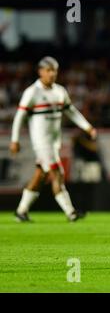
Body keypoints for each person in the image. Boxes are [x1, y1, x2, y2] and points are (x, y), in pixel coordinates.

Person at [9, 56, 97, 222]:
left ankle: (21, 211)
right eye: (48, 70)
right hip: (41, 142)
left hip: (54, 142)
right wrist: (15, 139)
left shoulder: (59, 91)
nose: (52, 74)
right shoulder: (32, 92)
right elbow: (19, 117)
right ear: (40, 72)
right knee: (58, 173)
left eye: (54, 70)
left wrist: (87, 126)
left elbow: (71, 111)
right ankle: (71, 212)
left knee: (41, 175)